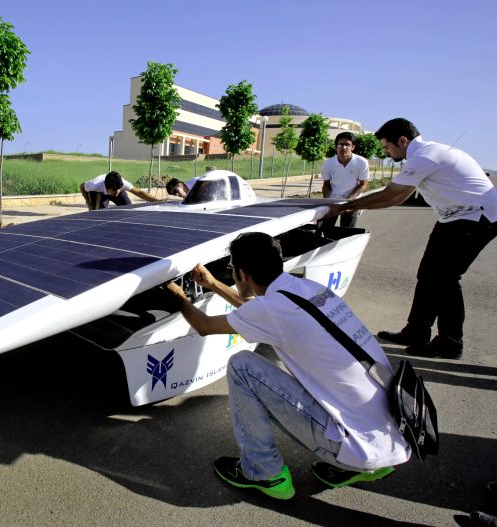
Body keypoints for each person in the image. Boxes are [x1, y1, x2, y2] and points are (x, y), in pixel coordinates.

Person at [165, 232, 410, 500]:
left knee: (242, 366)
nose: (231, 275)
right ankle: (368, 467)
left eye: (231, 270)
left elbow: (204, 326)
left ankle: (263, 473)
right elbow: (255, 310)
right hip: (392, 432)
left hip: (357, 445)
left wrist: (177, 295)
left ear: (242, 274)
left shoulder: (270, 310)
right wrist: (213, 285)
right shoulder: (309, 290)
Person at [326, 118, 497, 359]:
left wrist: (345, 207)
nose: (386, 152)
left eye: (387, 147)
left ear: (403, 141)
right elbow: (396, 195)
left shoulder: (425, 157)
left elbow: (392, 196)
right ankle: (416, 331)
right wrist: (349, 207)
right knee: (428, 275)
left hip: (476, 218)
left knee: (446, 279)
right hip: (453, 218)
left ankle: (450, 342)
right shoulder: (425, 155)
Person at [320, 132, 370, 228]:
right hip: (333, 201)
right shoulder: (328, 164)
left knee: (346, 232)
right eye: (341, 144)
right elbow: (326, 184)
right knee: (325, 230)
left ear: (353, 147)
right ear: (336, 146)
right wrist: (327, 202)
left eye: (347, 144)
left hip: (352, 201)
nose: (344, 147)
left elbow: (363, 185)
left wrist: (349, 201)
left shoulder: (361, 162)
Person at [80, 171, 160, 210]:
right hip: (99, 194)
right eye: (114, 191)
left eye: (117, 190)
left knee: (128, 207)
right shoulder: (95, 185)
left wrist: (158, 201)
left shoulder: (122, 183)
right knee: (98, 212)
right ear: (108, 188)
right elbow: (82, 187)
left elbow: (139, 192)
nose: (116, 193)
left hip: (112, 190)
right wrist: (88, 203)